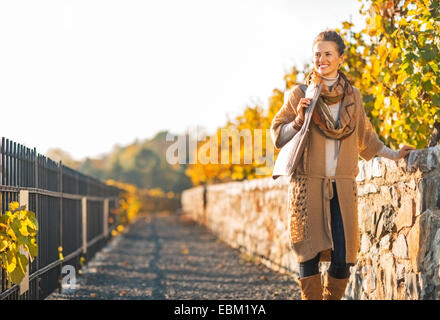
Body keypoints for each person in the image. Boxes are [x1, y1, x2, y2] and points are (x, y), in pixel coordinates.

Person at [270, 29, 415, 300]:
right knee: (308, 253)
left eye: (327, 54)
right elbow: (278, 135)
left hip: (342, 187)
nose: (321, 59)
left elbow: (365, 138)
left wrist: (396, 155)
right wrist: (298, 120)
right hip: (307, 184)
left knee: (343, 256)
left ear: (340, 58)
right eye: (317, 54)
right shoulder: (300, 93)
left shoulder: (353, 97)